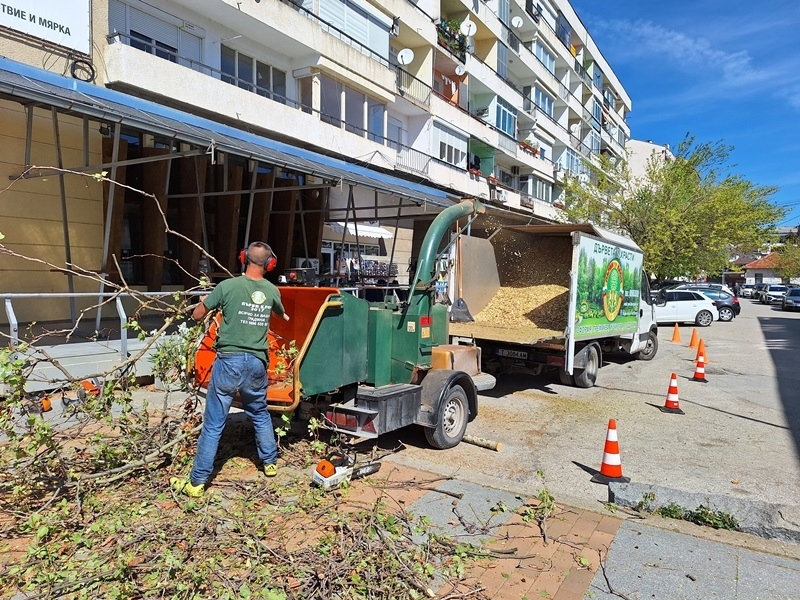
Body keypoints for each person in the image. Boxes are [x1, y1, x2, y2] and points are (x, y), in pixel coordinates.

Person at [171, 241, 290, 497]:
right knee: (259, 412)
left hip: (229, 363)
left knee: (214, 424)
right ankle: (269, 463)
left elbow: (197, 316)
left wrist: (204, 301)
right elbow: (281, 314)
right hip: (257, 365)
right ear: (270, 264)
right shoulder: (271, 290)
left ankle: (196, 482)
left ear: (243, 258)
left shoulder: (226, 287)